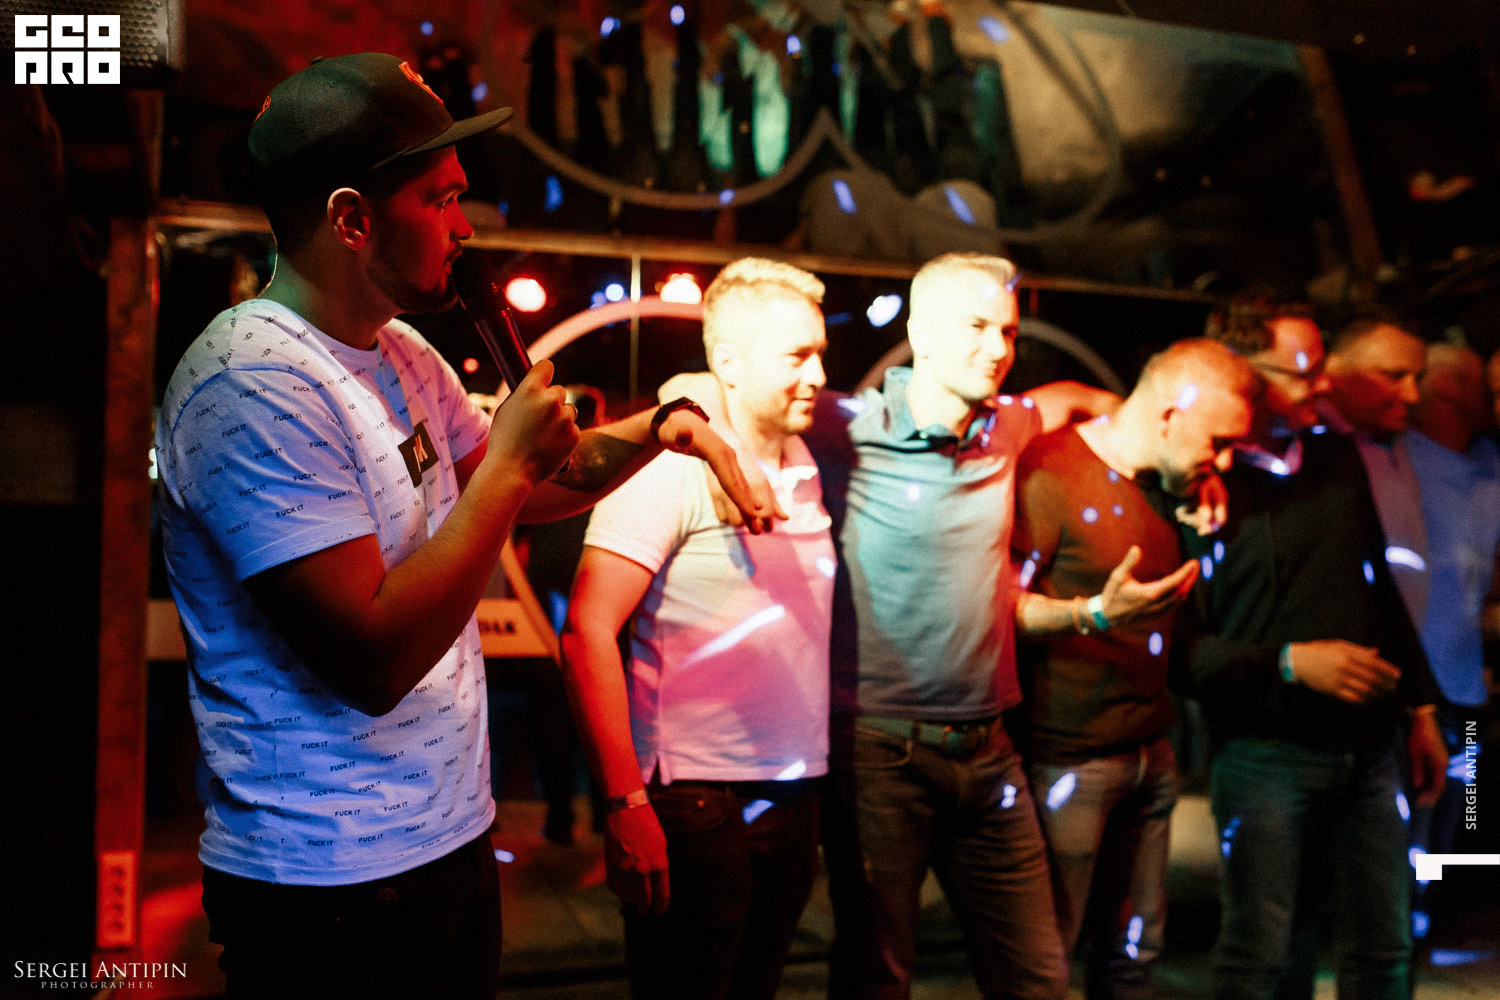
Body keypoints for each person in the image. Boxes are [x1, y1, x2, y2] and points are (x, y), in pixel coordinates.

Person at [155, 52, 770, 1000]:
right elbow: (374, 659)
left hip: (446, 839)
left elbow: (544, 483)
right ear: (352, 219)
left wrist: (663, 425)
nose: (465, 226)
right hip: (327, 885)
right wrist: (513, 463)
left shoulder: (402, 352)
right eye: (441, 199)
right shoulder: (252, 384)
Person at [560, 258, 834, 1000]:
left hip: (793, 792)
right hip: (696, 801)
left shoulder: (804, 454)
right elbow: (586, 630)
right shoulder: (670, 467)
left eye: (820, 353)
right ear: (728, 365)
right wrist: (625, 803)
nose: (817, 375)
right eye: (797, 356)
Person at [1187, 294, 1448, 1000]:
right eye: (1302, 372)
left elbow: (1379, 588)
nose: (1323, 382)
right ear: (1241, 372)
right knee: (1264, 955)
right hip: (1264, 751)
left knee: (1386, 949)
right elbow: (1177, 654)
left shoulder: (1335, 455)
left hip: (1370, 748)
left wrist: (1422, 709)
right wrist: (1289, 662)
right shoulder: (1202, 478)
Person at [1012, 339, 1256, 1000]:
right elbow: (996, 606)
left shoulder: (1170, 484)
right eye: (1219, 443)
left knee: (1134, 958)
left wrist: (1199, 508)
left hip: (1150, 752)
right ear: (1170, 415)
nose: (1225, 461)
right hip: (1066, 761)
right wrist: (1092, 614)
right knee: (1045, 965)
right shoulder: (1051, 470)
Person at [1403, 343, 1500, 939]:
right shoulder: (1398, 460)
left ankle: (1436, 909)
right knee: (1416, 798)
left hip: (1466, 680)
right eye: (1487, 387)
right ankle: (1401, 916)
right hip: (1413, 680)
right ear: (1450, 391)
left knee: (1462, 799)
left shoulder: (1490, 464)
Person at [1322, 313, 1431, 627]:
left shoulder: (1399, 442)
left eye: (1418, 378)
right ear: (1335, 372)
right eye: (1394, 376)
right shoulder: (1312, 455)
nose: (1413, 395)